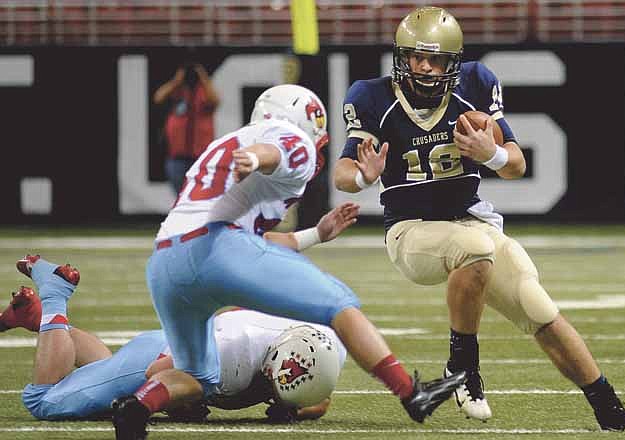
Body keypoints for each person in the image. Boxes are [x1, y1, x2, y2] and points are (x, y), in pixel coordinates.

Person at [332, 6, 625, 433]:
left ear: (454, 62)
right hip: (410, 232)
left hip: (469, 220)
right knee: (477, 248)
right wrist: (362, 175)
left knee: (536, 304)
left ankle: (610, 409)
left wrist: (491, 154)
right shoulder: (371, 96)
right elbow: (342, 175)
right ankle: (464, 365)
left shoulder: (476, 85)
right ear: (401, 56)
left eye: (435, 59)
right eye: (415, 56)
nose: (424, 66)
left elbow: (515, 165)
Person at [108, 83, 466, 440]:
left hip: (166, 263)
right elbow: (276, 150)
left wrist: (319, 229)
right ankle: (410, 393)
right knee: (338, 303)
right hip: (216, 249)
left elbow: (251, 236)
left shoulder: (219, 146)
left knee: (196, 375)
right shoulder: (290, 138)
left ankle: (138, 406)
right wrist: (256, 159)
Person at [0, 262, 347, 423]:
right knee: (43, 402)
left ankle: (33, 316)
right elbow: (157, 372)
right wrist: (180, 401)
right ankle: (55, 291)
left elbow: (320, 396)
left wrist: (301, 407)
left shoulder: (319, 344)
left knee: (103, 373)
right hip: (164, 358)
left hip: (178, 341)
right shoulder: (231, 359)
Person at [154, 58, 220, 194]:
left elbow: (216, 100)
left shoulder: (204, 93)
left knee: (201, 195)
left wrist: (202, 77)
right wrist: (177, 80)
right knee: (180, 196)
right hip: (176, 156)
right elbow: (158, 98)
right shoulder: (177, 92)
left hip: (201, 157)